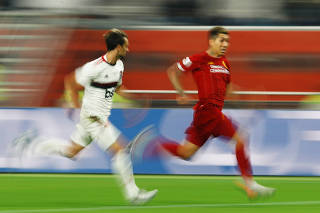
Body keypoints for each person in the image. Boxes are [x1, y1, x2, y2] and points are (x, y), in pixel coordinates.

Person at [14, 29, 157, 205]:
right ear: (118, 47)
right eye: (126, 46)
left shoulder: (119, 66)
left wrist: (135, 99)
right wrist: (74, 106)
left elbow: (118, 88)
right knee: (121, 151)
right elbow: (70, 82)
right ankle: (133, 194)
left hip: (98, 118)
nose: (128, 49)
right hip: (93, 118)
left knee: (71, 152)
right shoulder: (93, 67)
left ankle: (31, 143)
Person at [131, 26, 275, 199]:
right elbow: (173, 71)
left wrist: (246, 96)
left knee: (187, 153)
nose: (225, 44)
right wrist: (181, 92)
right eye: (222, 40)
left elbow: (228, 91)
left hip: (211, 114)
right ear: (211, 41)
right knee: (240, 139)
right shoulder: (199, 59)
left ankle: (153, 144)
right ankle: (250, 183)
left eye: (227, 41)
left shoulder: (225, 63)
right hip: (207, 112)